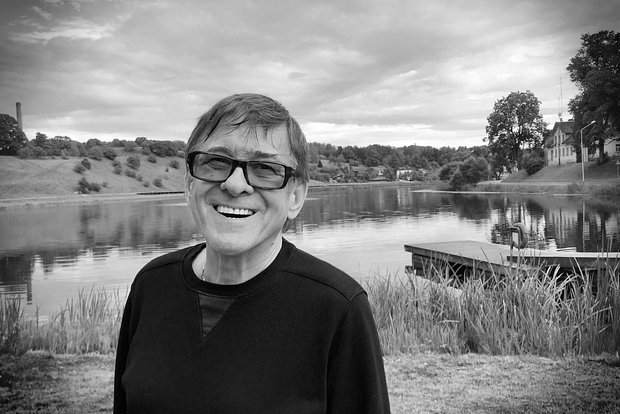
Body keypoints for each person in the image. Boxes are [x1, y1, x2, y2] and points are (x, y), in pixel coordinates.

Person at [113, 93, 390, 413]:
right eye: (216, 161)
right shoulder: (151, 285)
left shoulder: (337, 308)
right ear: (189, 184)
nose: (235, 184)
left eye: (264, 168)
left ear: (296, 197)